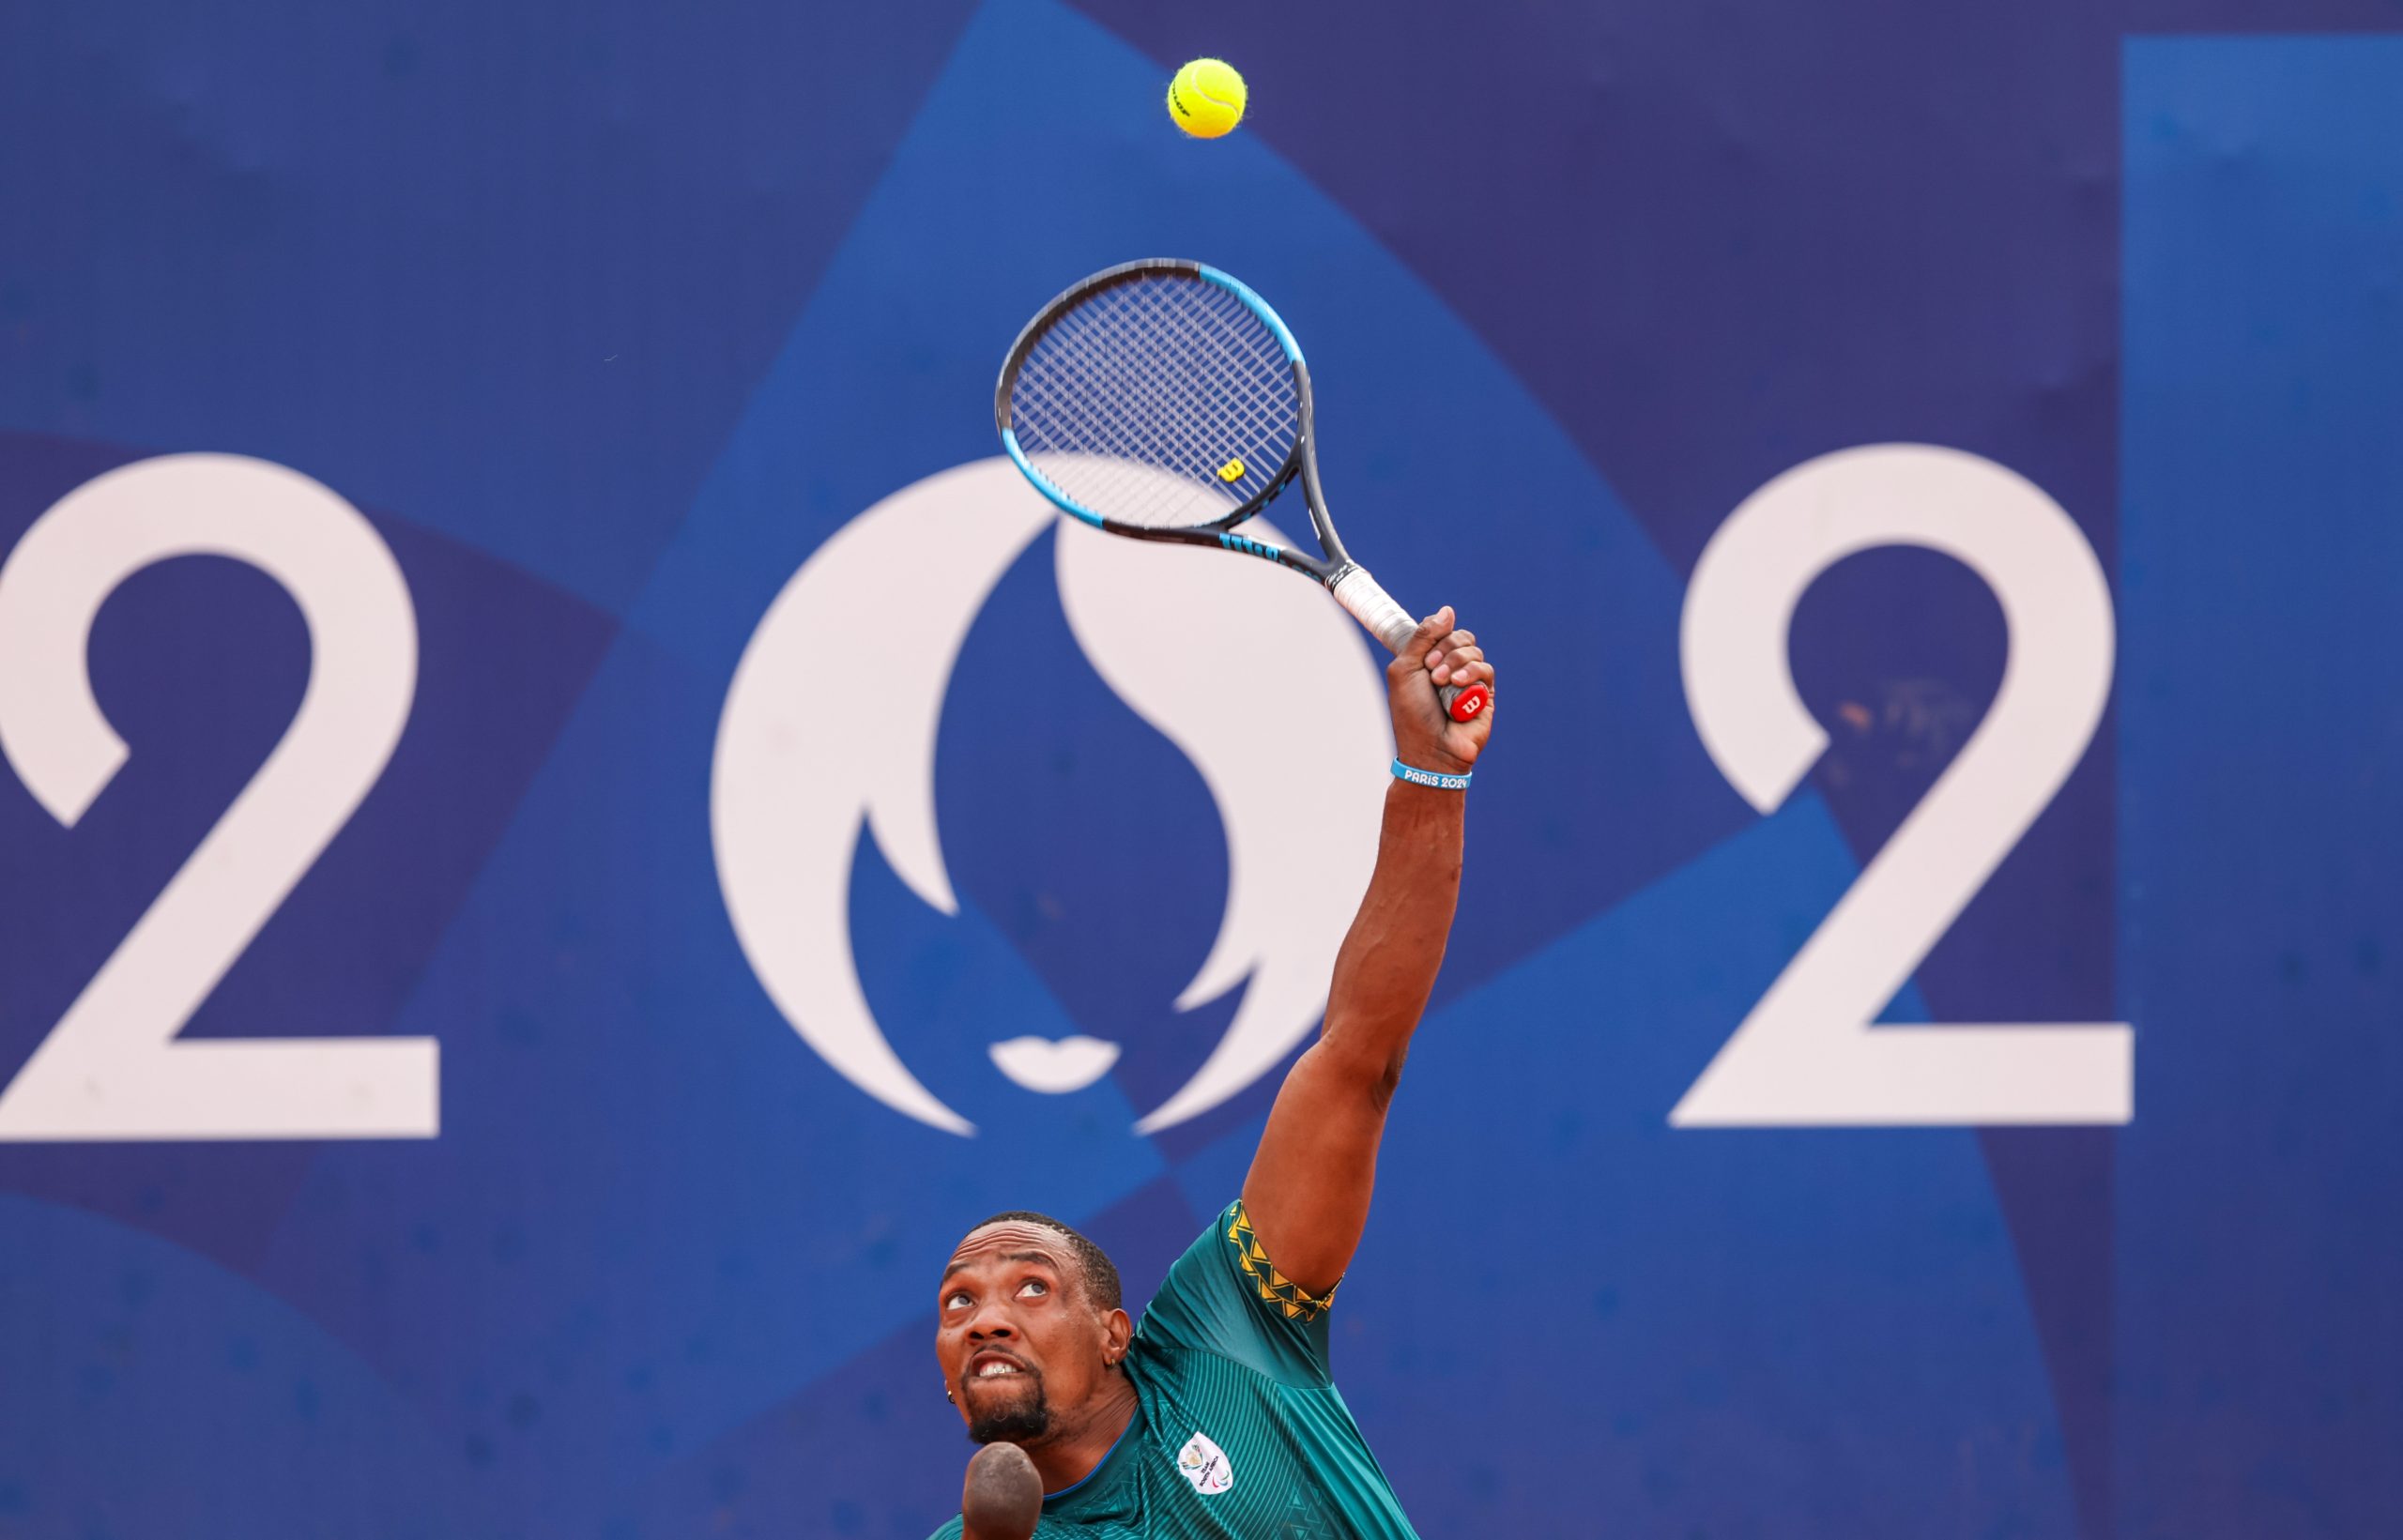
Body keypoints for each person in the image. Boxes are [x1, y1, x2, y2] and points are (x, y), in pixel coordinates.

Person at [929, 607, 1495, 1538]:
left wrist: (1430, 775)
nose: (985, 1318)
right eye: (959, 1303)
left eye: (1031, 1288)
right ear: (946, 1379)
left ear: (1116, 1337)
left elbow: (1356, 1062)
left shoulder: (1227, 1335)